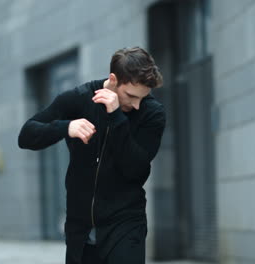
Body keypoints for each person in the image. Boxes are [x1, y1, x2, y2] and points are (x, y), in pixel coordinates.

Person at [18, 47, 165, 264]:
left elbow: (135, 169)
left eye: (142, 98)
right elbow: (26, 135)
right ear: (113, 80)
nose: (136, 105)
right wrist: (65, 127)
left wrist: (116, 116)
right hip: (81, 228)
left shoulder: (152, 114)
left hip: (125, 223)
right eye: (131, 96)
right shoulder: (78, 99)